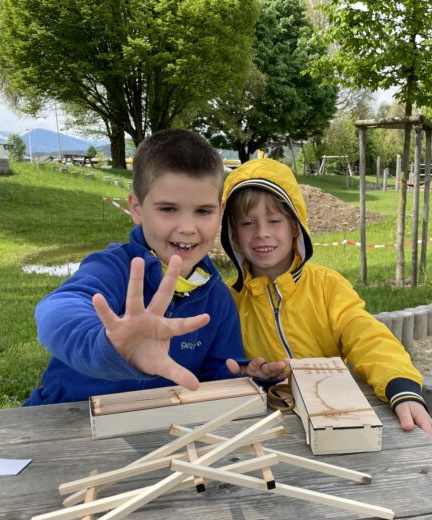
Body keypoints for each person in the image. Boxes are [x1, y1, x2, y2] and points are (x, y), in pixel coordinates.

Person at [24, 129, 286, 406]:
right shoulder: (115, 268)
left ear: (220, 211)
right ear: (136, 208)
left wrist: (246, 374)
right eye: (168, 209)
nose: (187, 228)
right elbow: (57, 309)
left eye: (203, 211)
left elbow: (212, 377)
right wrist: (109, 347)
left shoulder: (218, 300)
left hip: (158, 432)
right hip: (65, 421)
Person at [220, 158, 432, 438]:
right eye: (248, 223)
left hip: (333, 419)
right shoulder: (227, 299)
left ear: (295, 227)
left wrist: (402, 387)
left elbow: (367, 336)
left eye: (274, 221)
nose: (262, 233)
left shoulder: (327, 286)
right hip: (263, 429)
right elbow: (219, 366)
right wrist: (248, 372)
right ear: (233, 235)